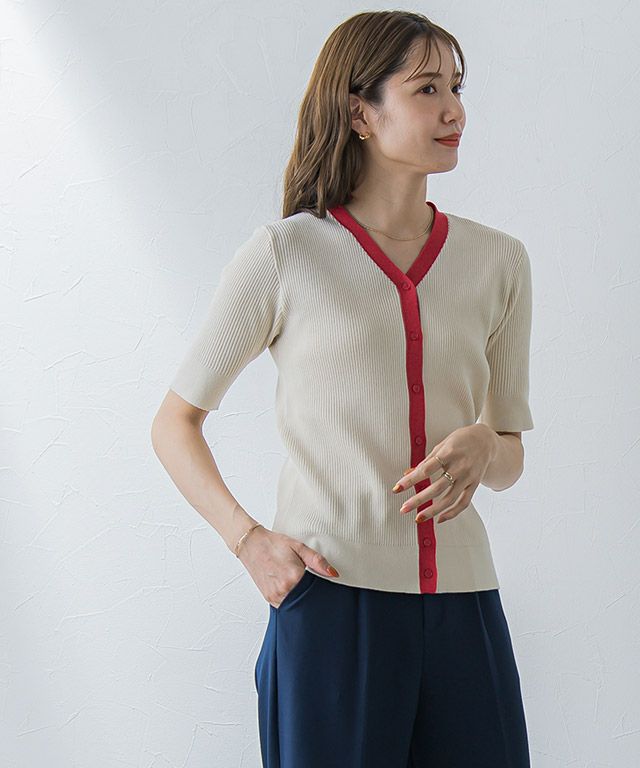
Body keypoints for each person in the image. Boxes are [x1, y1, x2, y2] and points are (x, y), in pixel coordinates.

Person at [151, 9, 535, 768]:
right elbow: (174, 422)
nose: (454, 111)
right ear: (361, 112)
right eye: (427, 89)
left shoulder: (500, 262)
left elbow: (510, 455)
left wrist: (484, 445)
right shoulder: (286, 253)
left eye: (456, 88)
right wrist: (249, 542)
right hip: (331, 603)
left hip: (465, 609)